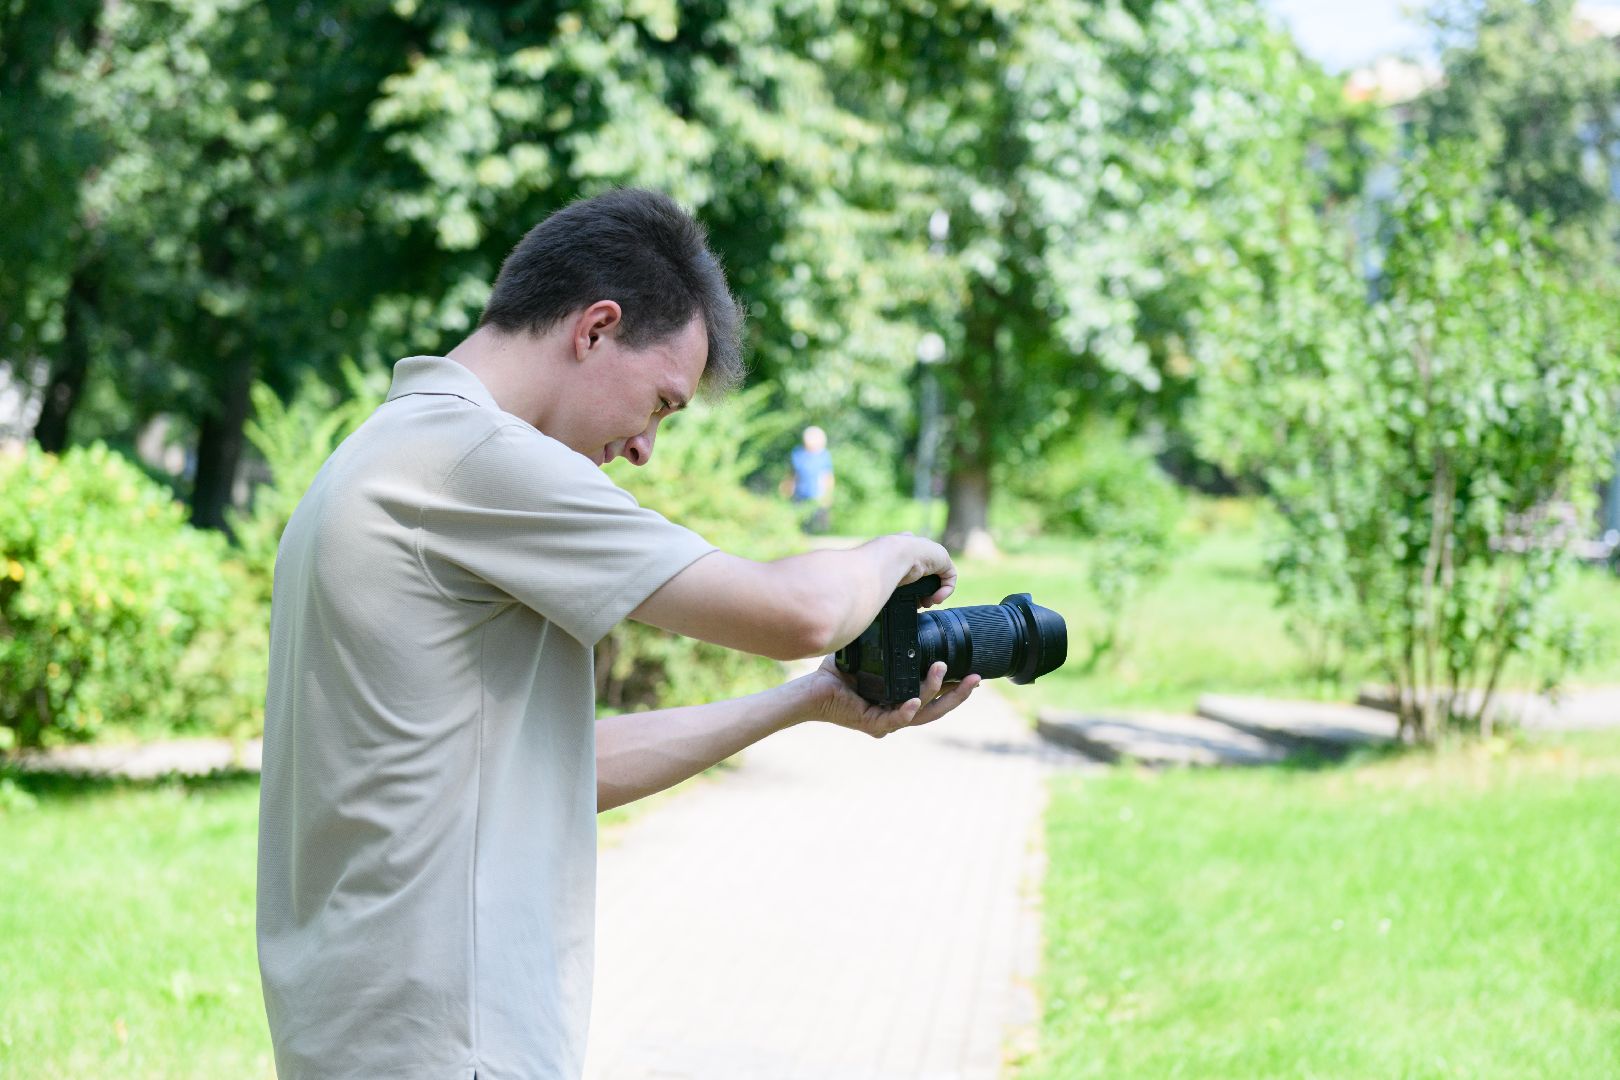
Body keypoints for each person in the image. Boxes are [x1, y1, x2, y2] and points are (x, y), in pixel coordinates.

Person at [255, 188, 979, 1080]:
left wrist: (810, 701)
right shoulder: (471, 457)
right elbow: (794, 612)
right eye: (662, 404)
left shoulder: (383, 453)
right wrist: (896, 551)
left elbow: (557, 773)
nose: (645, 449)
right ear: (596, 328)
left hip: (375, 1035)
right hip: (451, 1045)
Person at [783, 424, 835, 533]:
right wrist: (787, 487)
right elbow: (792, 473)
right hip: (800, 493)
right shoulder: (798, 453)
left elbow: (828, 476)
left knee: (819, 522)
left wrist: (828, 494)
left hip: (817, 493)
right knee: (801, 522)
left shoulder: (824, 455)